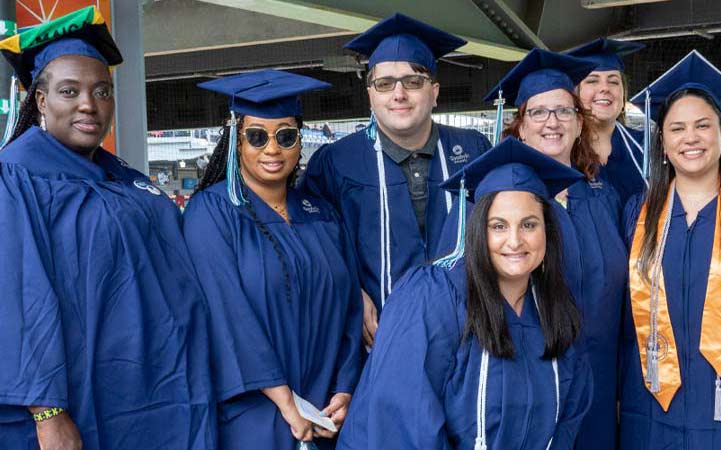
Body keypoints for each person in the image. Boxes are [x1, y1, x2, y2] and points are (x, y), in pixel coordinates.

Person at [0, 7, 215, 449]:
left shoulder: (126, 178)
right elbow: (20, 300)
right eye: (69, 90)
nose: (88, 104)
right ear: (40, 101)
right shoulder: (16, 178)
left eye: (102, 91)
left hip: (159, 393)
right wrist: (48, 412)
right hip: (81, 400)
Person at [339, 138, 593, 449]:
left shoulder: (553, 307)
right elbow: (403, 418)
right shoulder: (433, 296)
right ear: (476, 230)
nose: (515, 241)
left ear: (548, 231)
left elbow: (571, 411)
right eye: (498, 226)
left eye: (529, 224)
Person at [186, 70, 363, 450]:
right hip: (254, 411)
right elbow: (227, 313)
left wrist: (345, 389)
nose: (272, 149)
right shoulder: (213, 212)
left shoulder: (322, 214)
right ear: (236, 141)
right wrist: (284, 399)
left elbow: (350, 307)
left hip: (325, 415)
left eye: (285, 136)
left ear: (299, 141)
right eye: (256, 136)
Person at [301, 13, 491, 347]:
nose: (398, 93)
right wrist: (350, 292)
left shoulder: (474, 150)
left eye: (413, 81)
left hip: (469, 337)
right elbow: (314, 244)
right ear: (371, 94)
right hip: (377, 344)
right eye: (385, 83)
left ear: (434, 92)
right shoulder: (334, 162)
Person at [620, 50, 721, 449]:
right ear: (663, 142)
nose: (691, 138)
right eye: (677, 128)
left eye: (703, 126)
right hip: (652, 404)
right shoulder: (637, 214)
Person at [484, 47, 627, 450]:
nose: (553, 122)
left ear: (580, 124)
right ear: (521, 126)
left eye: (564, 111)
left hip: (601, 385)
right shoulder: (499, 203)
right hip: (530, 384)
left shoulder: (604, 197)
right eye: (539, 112)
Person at [566, 38, 647, 205]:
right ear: (574, 93)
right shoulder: (561, 150)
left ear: (623, 94)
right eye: (592, 80)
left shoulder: (647, 146)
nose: (605, 88)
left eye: (613, 81)